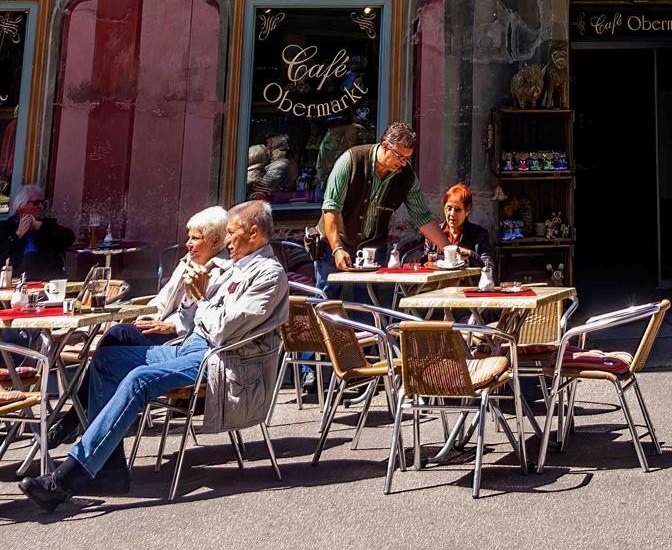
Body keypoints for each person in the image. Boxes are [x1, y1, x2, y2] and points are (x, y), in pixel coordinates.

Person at [20, 199, 288, 511]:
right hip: (191, 346)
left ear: (253, 234)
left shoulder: (269, 275)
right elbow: (194, 317)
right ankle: (110, 470)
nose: (226, 240)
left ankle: (64, 479)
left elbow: (223, 331)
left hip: (221, 358)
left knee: (138, 379)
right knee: (106, 360)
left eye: (231, 233)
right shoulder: (235, 267)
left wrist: (201, 298)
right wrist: (194, 303)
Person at [321, 119, 446, 276]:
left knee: (368, 299)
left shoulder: (406, 175)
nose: (403, 163)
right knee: (327, 297)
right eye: (400, 157)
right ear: (385, 146)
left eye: (407, 159)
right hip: (336, 244)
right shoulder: (351, 160)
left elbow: (422, 217)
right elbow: (331, 208)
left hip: (373, 249)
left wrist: (448, 249)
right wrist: (337, 249)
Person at [0, 183, 74, 280]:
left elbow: (69, 238)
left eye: (42, 203)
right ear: (21, 206)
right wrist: (17, 234)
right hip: (16, 279)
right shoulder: (6, 227)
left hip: (48, 279)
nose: (40, 206)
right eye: (36, 203)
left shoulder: (46, 225)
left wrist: (40, 226)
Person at [439, 184, 494, 267]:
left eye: (457, 209)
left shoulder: (479, 235)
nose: (452, 214)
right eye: (449, 208)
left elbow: (489, 266)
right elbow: (425, 262)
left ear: (467, 211)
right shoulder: (436, 232)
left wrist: (468, 253)